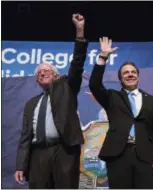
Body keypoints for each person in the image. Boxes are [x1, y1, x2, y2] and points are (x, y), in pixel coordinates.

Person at [14, 13, 88, 189]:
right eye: (39, 73)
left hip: (64, 151)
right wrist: (20, 165)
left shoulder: (67, 87)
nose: (42, 73)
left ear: (56, 75)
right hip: (38, 155)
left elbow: (77, 63)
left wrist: (79, 31)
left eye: (46, 70)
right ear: (37, 81)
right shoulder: (31, 104)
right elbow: (25, 137)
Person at [89, 37, 153, 189]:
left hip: (147, 156)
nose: (130, 75)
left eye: (133, 72)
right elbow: (94, 85)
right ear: (120, 79)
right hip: (118, 156)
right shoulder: (112, 97)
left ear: (138, 76)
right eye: (126, 73)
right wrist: (103, 57)